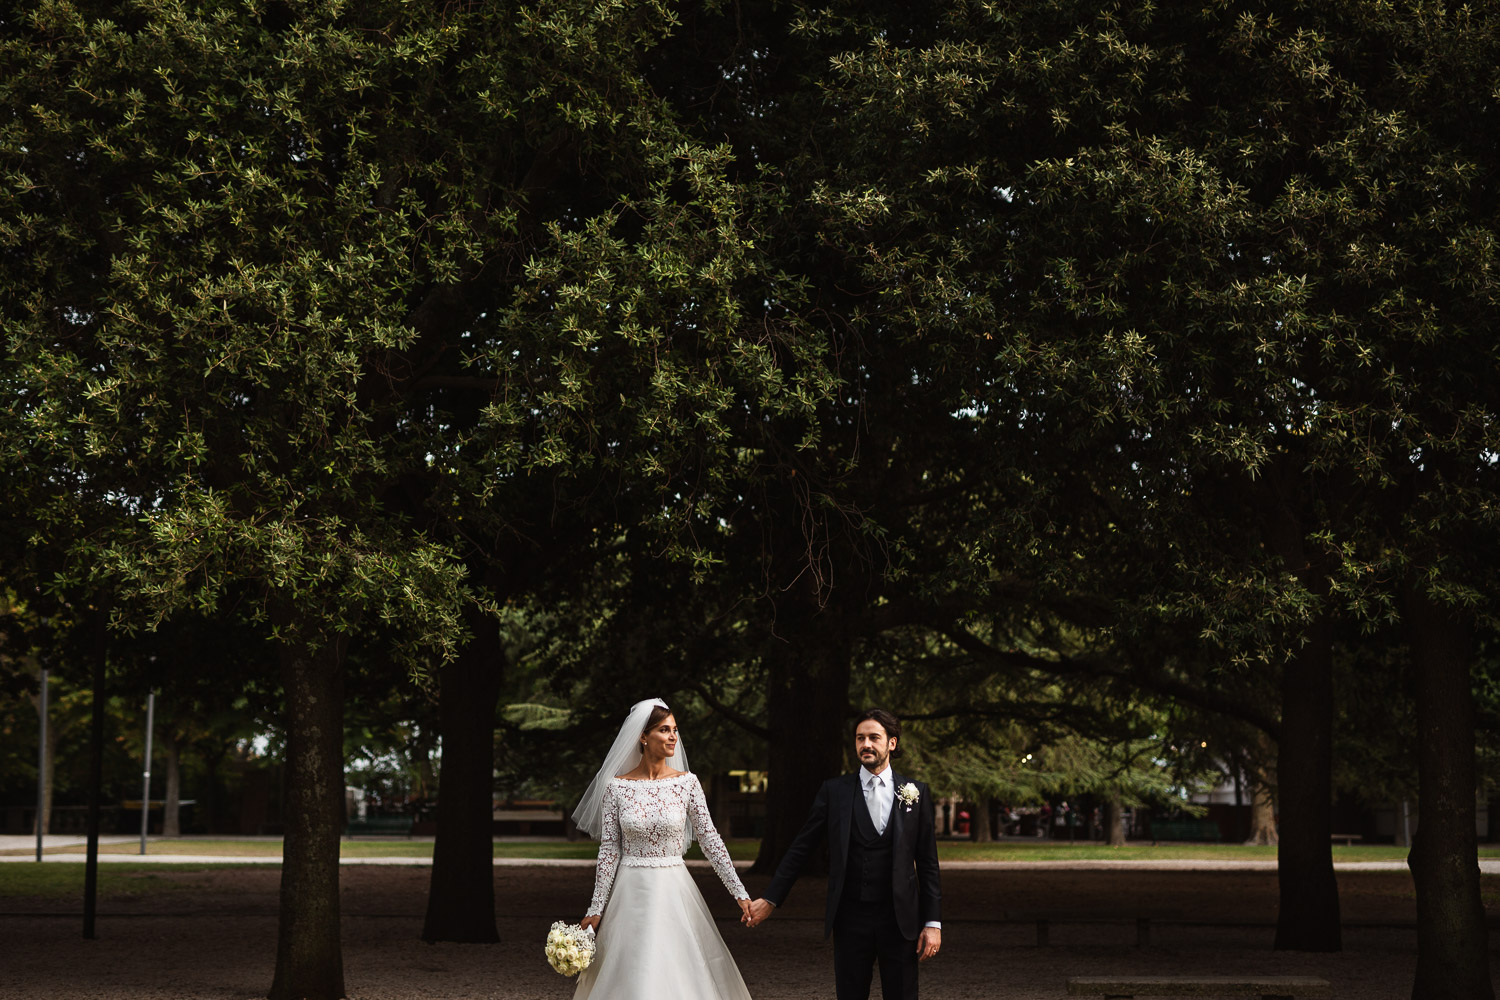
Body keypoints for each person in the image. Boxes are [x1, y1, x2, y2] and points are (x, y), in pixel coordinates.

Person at [743, 708, 942, 1000]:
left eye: (874, 737)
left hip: (901, 920)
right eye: (860, 738)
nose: (866, 744)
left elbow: (927, 863)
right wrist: (771, 898)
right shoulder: (834, 791)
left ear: (892, 743)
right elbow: (801, 847)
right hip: (850, 917)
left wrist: (933, 923)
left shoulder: (916, 792)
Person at [571, 698, 754, 999]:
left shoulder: (688, 784)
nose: (673, 737)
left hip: (674, 890)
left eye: (675, 730)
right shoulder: (616, 788)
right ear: (643, 737)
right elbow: (609, 850)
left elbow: (710, 839)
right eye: (664, 730)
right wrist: (596, 908)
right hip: (630, 892)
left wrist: (740, 893)